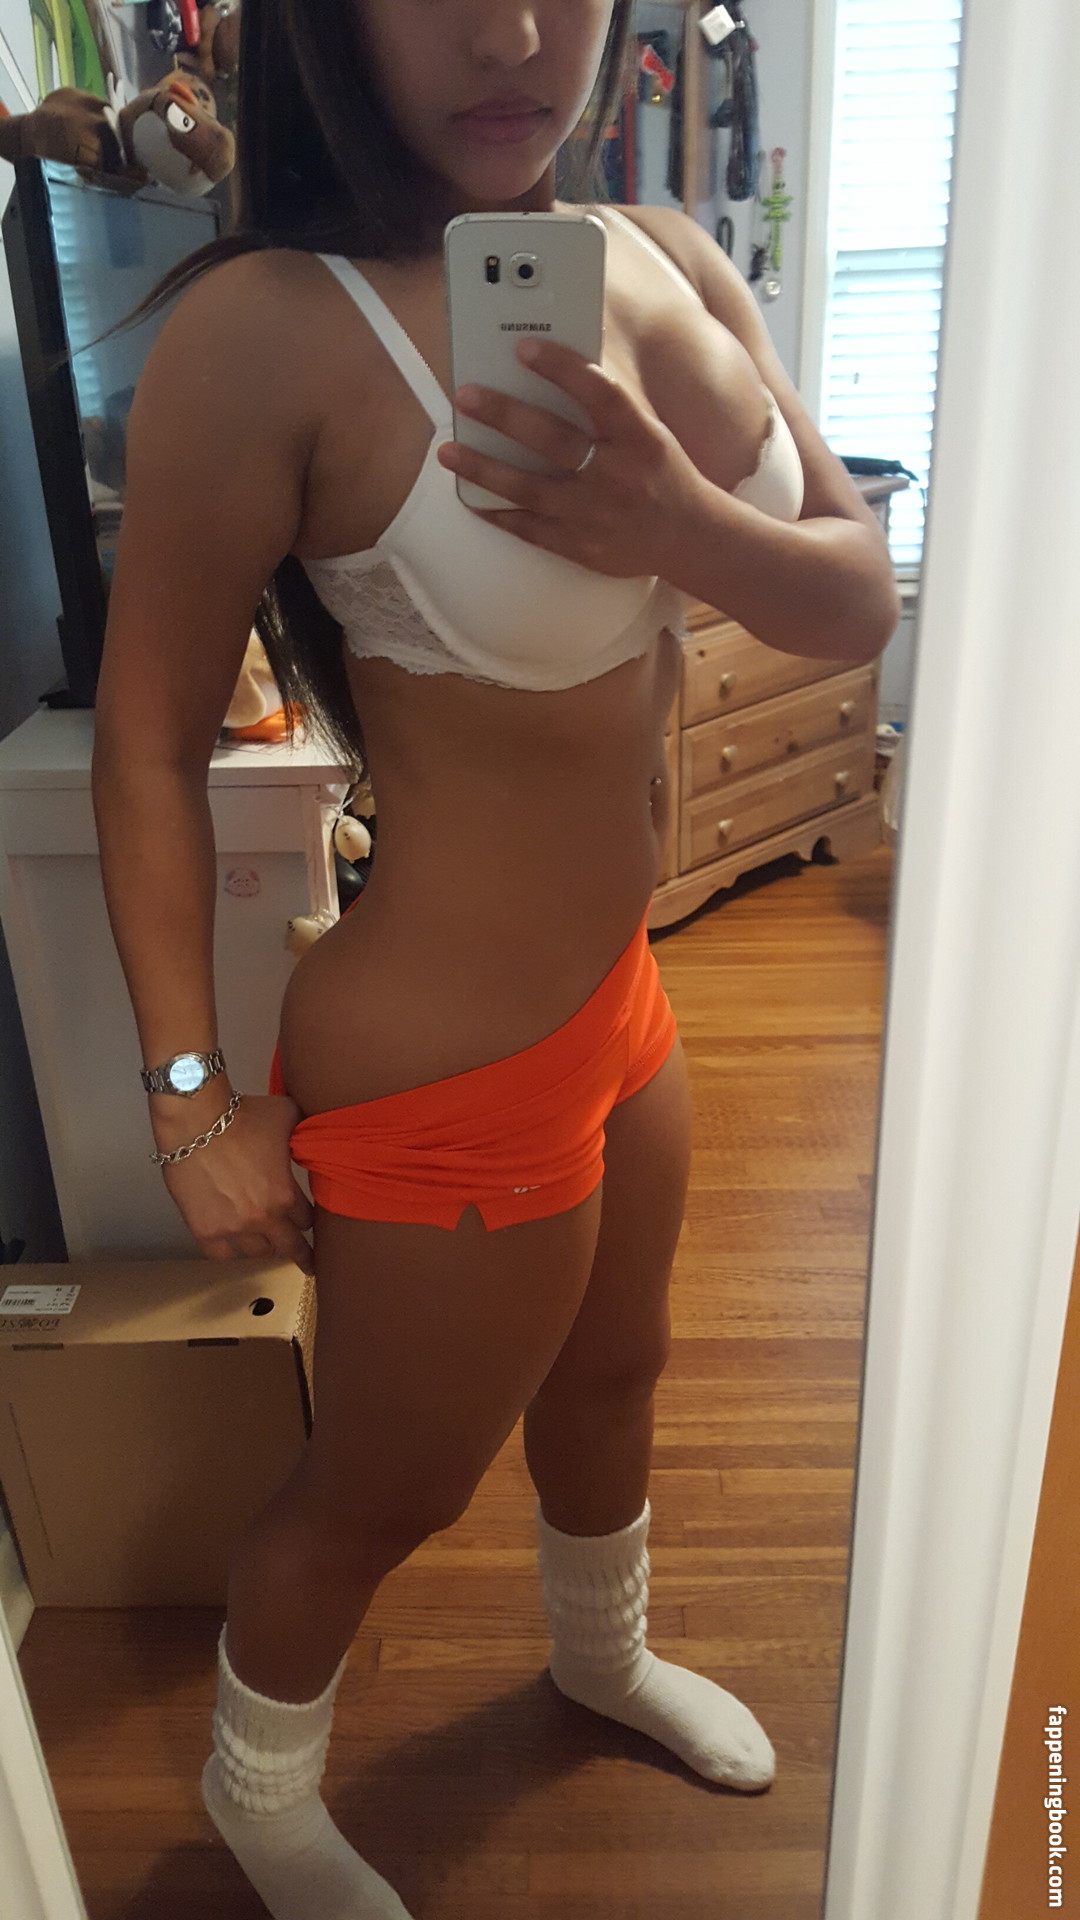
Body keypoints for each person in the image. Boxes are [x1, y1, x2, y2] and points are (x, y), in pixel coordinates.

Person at [89, 3, 899, 1915]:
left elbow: (855, 596)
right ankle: (255, 1795)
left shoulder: (664, 252)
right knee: (387, 1493)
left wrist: (670, 518)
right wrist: (192, 1102)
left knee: (620, 1378)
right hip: (444, 1058)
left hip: (620, 992)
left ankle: (602, 1657)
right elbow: (143, 744)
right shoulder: (267, 334)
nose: (516, 34)